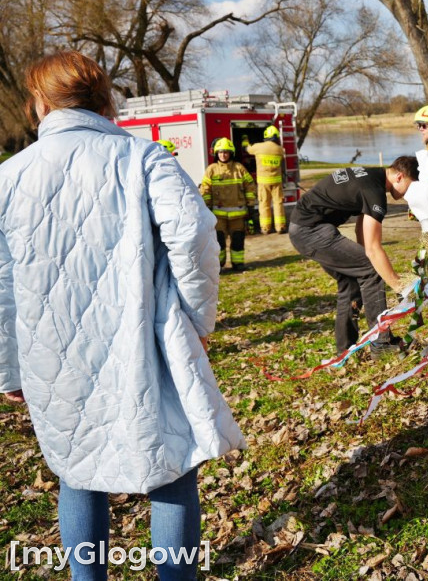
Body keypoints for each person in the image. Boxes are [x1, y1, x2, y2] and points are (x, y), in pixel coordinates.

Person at [0, 50, 245, 580]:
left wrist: (9, 368)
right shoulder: (143, 158)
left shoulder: (8, 177)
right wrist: (197, 318)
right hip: (143, 339)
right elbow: (195, 233)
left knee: (76, 470)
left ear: (40, 102)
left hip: (50, 349)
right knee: (170, 466)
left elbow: (0, 285)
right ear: (104, 100)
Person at [288, 157, 418, 355]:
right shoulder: (374, 192)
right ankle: (381, 343)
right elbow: (373, 250)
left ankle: (345, 350)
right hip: (310, 231)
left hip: (304, 228)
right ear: (399, 177)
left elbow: (362, 234)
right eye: (410, 186)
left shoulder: (370, 176)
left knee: (352, 282)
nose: (409, 193)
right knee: (371, 270)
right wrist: (399, 285)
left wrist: (360, 262)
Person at [199, 137, 257, 271]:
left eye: (225, 152)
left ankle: (238, 264)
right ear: (216, 154)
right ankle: (218, 265)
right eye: (220, 152)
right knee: (218, 242)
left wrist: (250, 205)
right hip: (218, 216)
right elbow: (205, 190)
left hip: (238, 215)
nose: (223, 155)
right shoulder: (211, 169)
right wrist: (206, 207)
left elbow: (250, 186)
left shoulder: (239, 168)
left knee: (237, 240)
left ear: (231, 153)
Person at [246, 124, 288, 234]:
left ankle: (266, 228)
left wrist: (245, 140)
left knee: (264, 204)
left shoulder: (258, 147)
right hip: (277, 182)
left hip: (263, 183)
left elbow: (247, 149)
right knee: (278, 204)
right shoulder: (280, 149)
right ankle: (280, 227)